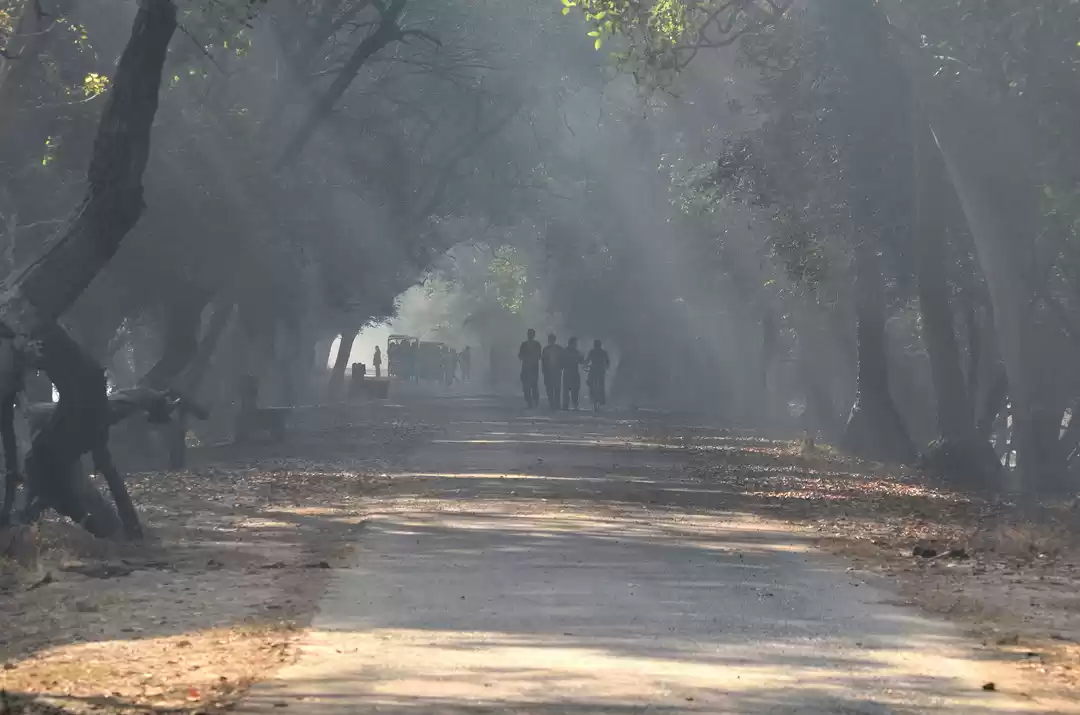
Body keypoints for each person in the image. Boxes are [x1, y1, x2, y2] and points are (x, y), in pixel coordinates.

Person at [518, 328, 541, 408]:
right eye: (529, 334)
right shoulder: (524, 344)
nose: (530, 336)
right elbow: (520, 355)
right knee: (526, 386)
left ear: (533, 335)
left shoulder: (537, 344)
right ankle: (529, 401)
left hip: (534, 367)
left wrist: (532, 359)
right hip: (526, 368)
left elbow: (539, 356)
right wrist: (525, 358)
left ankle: (535, 400)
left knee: (534, 385)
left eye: (531, 334)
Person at [586, 339, 610, 411]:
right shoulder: (603, 352)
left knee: (591, 385)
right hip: (600, 371)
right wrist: (606, 368)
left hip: (594, 370)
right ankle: (600, 401)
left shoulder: (592, 351)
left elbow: (587, 360)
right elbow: (607, 362)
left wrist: (586, 365)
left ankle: (594, 400)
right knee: (601, 387)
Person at [561, 336, 584, 410]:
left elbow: (581, 361)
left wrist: (582, 358)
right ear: (570, 343)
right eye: (574, 343)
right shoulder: (565, 351)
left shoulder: (576, 351)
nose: (575, 345)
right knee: (566, 390)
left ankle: (575, 404)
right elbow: (561, 361)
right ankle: (565, 405)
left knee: (575, 390)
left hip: (574, 372)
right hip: (568, 372)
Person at [541, 333, 563, 410]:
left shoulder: (559, 349)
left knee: (557, 388)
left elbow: (563, 359)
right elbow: (543, 361)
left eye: (552, 339)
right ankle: (552, 403)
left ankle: (557, 404)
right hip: (548, 371)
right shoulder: (545, 349)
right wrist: (543, 370)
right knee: (549, 388)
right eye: (550, 339)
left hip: (556, 370)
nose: (551, 341)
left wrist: (561, 367)